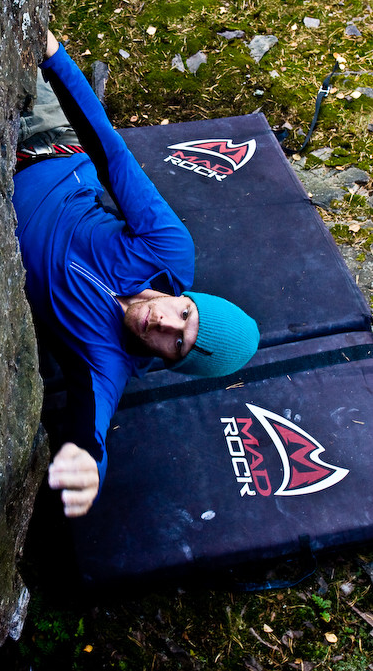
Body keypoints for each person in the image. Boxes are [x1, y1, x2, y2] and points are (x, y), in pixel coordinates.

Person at [13, 31, 260, 517]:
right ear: (187, 298)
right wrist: (57, 59)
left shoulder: (107, 363)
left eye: (177, 344)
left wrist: (88, 468)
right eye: (184, 316)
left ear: (169, 361)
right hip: (51, 141)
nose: (165, 324)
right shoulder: (168, 251)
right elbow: (111, 155)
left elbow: (91, 432)